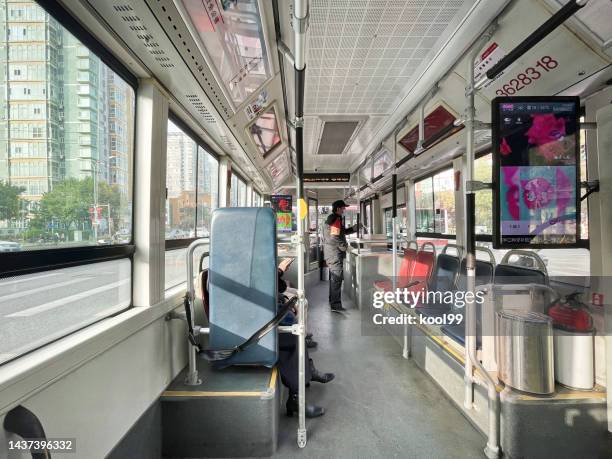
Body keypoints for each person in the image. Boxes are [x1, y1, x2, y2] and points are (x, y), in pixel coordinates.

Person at [323, 200, 358, 312]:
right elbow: (334, 237)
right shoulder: (336, 219)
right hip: (334, 253)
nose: (344, 210)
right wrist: (345, 246)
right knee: (336, 278)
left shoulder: (332, 218)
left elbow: (340, 232)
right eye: (343, 208)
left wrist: (353, 229)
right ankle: (336, 305)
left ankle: (332, 300)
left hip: (330, 252)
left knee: (334, 278)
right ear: (338, 208)